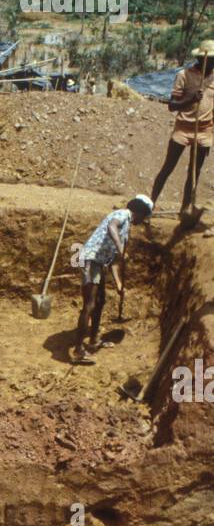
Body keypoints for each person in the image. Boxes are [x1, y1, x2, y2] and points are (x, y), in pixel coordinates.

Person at [72, 196, 153, 363]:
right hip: (90, 259)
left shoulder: (126, 230)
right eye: (144, 216)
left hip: (99, 263)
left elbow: (115, 262)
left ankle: (94, 340)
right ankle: (78, 350)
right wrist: (121, 248)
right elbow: (111, 227)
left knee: (100, 302)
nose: (143, 220)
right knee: (90, 303)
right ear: (139, 211)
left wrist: (118, 284)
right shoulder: (123, 214)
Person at [150, 40, 214, 214]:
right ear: (201, 59)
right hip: (183, 128)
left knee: (195, 172)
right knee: (168, 167)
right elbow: (172, 105)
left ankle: (185, 208)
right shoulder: (184, 75)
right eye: (209, 59)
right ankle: (150, 205)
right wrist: (191, 100)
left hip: (204, 130)